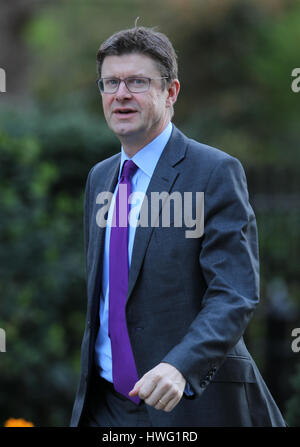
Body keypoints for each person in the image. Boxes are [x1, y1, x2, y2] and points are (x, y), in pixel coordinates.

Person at [70, 25, 286, 427]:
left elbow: (234, 293)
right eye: (110, 82)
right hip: (105, 406)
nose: (121, 94)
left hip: (186, 403)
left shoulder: (214, 172)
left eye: (137, 81)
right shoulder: (100, 178)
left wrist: (180, 366)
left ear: (170, 93)